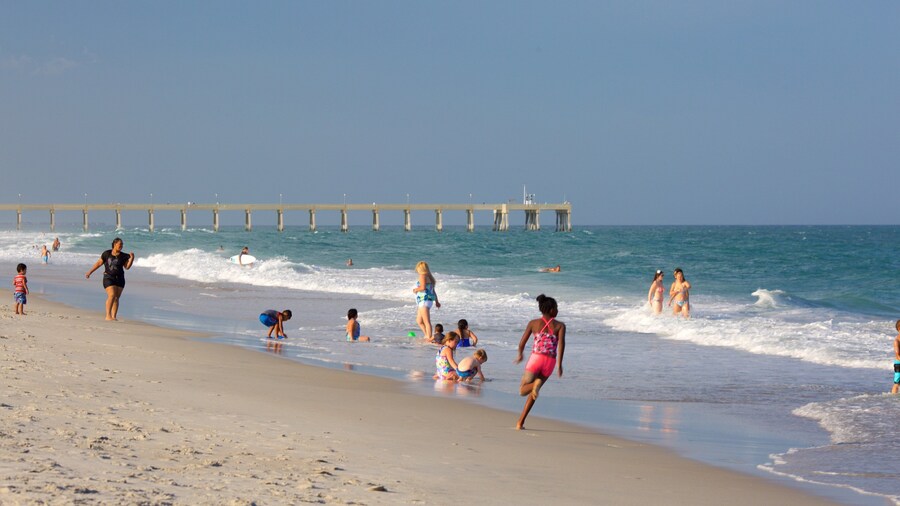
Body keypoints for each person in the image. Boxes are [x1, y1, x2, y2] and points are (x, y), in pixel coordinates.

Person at [515, 294, 566, 430]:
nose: (557, 310)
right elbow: (561, 345)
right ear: (551, 310)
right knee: (534, 391)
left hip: (536, 359)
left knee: (522, 390)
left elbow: (522, 343)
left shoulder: (533, 323)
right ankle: (520, 422)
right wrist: (559, 365)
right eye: (556, 308)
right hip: (550, 361)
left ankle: (534, 384)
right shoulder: (560, 325)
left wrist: (520, 354)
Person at [85, 237, 135, 321]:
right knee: (112, 295)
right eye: (120, 244)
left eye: (122, 244)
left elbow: (127, 267)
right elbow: (99, 263)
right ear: (114, 244)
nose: (121, 246)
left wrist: (132, 259)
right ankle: (108, 316)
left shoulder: (124, 256)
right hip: (108, 277)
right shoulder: (106, 253)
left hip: (120, 278)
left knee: (116, 298)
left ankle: (114, 316)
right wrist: (90, 272)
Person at [413, 261, 441, 342]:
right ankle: (427, 335)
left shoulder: (422, 276)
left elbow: (423, 288)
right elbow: (433, 291)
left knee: (426, 321)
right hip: (426, 301)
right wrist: (437, 301)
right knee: (419, 321)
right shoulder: (430, 277)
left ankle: (429, 338)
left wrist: (415, 290)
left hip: (424, 301)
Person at [892, 320, 900, 394]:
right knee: (897, 383)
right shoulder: (897, 340)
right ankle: (893, 397)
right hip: (899, 364)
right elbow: (898, 353)